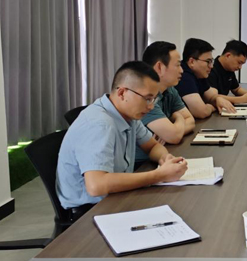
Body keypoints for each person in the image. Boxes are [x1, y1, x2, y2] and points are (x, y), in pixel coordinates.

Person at [56, 61, 188, 217]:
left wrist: (165, 159)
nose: (151, 106)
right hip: (88, 212)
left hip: (115, 196)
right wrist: (160, 175)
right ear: (122, 93)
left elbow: (152, 146)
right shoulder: (99, 124)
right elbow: (96, 186)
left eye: (153, 99)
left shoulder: (128, 115)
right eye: (147, 99)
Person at [134, 41, 196, 163]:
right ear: (159, 67)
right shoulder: (144, 96)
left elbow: (191, 121)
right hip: (140, 165)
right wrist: (178, 118)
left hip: (159, 156)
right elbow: (174, 137)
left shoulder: (169, 90)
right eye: (177, 65)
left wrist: (174, 127)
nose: (182, 70)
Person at [175, 38, 236, 119]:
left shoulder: (199, 74)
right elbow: (201, 112)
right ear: (192, 62)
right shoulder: (184, 76)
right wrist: (212, 106)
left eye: (211, 61)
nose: (211, 66)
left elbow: (211, 96)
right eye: (208, 61)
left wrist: (217, 99)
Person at [207, 39, 247, 104]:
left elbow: (236, 89)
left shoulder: (229, 68)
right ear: (228, 56)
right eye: (239, 62)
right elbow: (213, 97)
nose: (240, 67)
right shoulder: (210, 69)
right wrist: (242, 99)